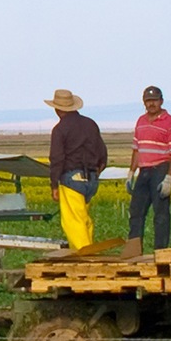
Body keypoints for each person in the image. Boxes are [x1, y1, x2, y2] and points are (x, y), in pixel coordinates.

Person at [45, 88, 107, 251]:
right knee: (84, 219)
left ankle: (86, 258)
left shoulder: (59, 130)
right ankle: (87, 250)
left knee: (74, 222)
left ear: (57, 109)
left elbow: (57, 159)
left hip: (71, 180)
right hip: (92, 179)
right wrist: (95, 173)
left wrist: (54, 185)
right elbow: (103, 153)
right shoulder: (90, 124)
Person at [125, 85, 171, 257]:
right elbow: (137, 149)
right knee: (136, 212)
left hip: (161, 168)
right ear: (144, 102)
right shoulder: (141, 121)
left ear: (161, 101)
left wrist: (169, 178)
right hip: (144, 170)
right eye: (148, 101)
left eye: (154, 100)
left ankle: (160, 252)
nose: (151, 104)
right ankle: (134, 251)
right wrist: (130, 173)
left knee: (161, 214)